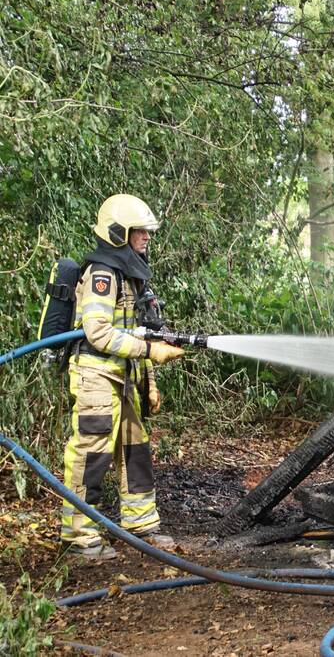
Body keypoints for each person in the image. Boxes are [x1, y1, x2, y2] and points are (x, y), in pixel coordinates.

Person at [60, 194, 185, 559]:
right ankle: (79, 535)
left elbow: (138, 331)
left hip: (124, 375)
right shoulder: (102, 274)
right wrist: (149, 352)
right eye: (140, 231)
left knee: (135, 448)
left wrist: (150, 377)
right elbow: (97, 333)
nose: (146, 237)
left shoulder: (131, 274)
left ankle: (141, 525)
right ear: (118, 233)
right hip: (95, 376)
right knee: (92, 453)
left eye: (147, 231)